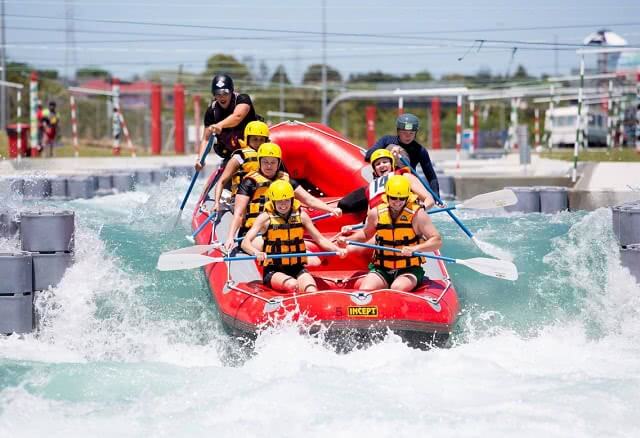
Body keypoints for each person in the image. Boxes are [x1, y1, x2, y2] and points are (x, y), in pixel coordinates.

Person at [225, 142, 341, 252]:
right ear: (259, 162)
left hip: (281, 231)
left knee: (308, 255)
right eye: (265, 162)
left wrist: (330, 209)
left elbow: (309, 200)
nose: (269, 166)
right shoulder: (249, 182)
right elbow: (239, 214)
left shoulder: (287, 181)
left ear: (279, 163)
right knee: (274, 247)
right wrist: (230, 237)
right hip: (254, 233)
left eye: (273, 162)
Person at [338, 175, 442, 292]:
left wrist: (415, 248)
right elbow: (365, 234)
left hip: (409, 269)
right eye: (393, 198)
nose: (397, 202)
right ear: (387, 196)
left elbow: (437, 240)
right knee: (365, 289)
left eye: (401, 198)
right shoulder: (375, 213)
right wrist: (348, 240)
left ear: (407, 197)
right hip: (382, 268)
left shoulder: (418, 214)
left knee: (397, 288)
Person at [241, 180, 346, 293]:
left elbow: (320, 239)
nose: (283, 205)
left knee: (311, 290)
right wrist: (256, 253)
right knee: (292, 285)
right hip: (274, 269)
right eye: (279, 201)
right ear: (273, 201)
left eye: (286, 200)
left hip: (297, 267)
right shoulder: (264, 218)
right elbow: (245, 243)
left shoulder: (302, 216)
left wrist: (338, 250)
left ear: (292, 200)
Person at [338, 148, 435, 217]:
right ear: (375, 170)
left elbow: (429, 199)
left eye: (385, 162)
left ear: (392, 164)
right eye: (378, 164)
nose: (382, 165)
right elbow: (370, 216)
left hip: (409, 223)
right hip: (384, 229)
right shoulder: (371, 188)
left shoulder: (405, 177)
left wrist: (419, 211)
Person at [364, 113, 440, 199]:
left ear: (416, 133)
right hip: (383, 183)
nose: (408, 136)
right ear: (398, 131)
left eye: (411, 133)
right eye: (404, 132)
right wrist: (387, 152)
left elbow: (431, 176)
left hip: (405, 185)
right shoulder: (387, 140)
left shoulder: (420, 150)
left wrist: (436, 197)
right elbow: (368, 156)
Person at [195, 74, 258, 171]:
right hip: (231, 155)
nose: (222, 97)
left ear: (232, 91)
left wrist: (220, 125)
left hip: (254, 150)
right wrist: (200, 159)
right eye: (218, 93)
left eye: (225, 93)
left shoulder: (243, 99)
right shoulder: (211, 111)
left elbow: (237, 117)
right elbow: (206, 139)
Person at [211, 120, 269, 213]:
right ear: (247, 139)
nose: (258, 143)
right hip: (241, 200)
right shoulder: (239, 156)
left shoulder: (271, 158)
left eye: (261, 139)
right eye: (255, 139)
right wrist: (216, 203)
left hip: (263, 199)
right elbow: (222, 181)